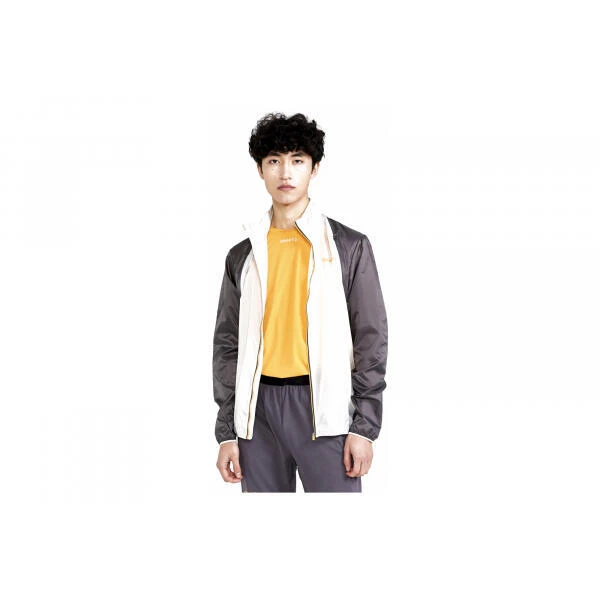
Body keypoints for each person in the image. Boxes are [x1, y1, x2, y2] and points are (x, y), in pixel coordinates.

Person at [213, 112, 388, 492]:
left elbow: (371, 338)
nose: (285, 173)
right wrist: (227, 431)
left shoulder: (348, 246)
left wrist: (364, 427)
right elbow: (227, 346)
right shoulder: (243, 255)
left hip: (324, 410)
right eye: (274, 161)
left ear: (314, 167)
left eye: (297, 160)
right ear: (260, 169)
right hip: (257, 414)